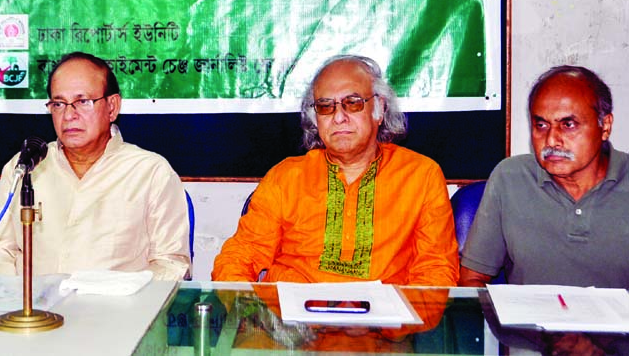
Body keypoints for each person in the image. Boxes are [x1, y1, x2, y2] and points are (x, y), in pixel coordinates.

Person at [212, 55, 459, 284]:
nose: (339, 117)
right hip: (291, 325)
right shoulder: (285, 177)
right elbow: (239, 257)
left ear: (379, 109)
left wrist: (406, 324)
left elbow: (436, 271)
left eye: (352, 103)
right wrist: (251, 313)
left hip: (386, 326)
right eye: (326, 106)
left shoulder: (421, 176)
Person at [0, 51, 190, 280]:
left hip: (119, 312)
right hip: (36, 310)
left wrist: (123, 298)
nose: (68, 115)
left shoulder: (150, 172)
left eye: (82, 102)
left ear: (112, 107)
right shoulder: (24, 167)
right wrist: (9, 298)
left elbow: (171, 265)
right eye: (58, 104)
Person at [460, 65, 629, 288]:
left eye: (568, 125)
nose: (551, 140)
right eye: (541, 125)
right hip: (526, 323)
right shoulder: (510, 178)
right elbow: (472, 279)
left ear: (605, 126)